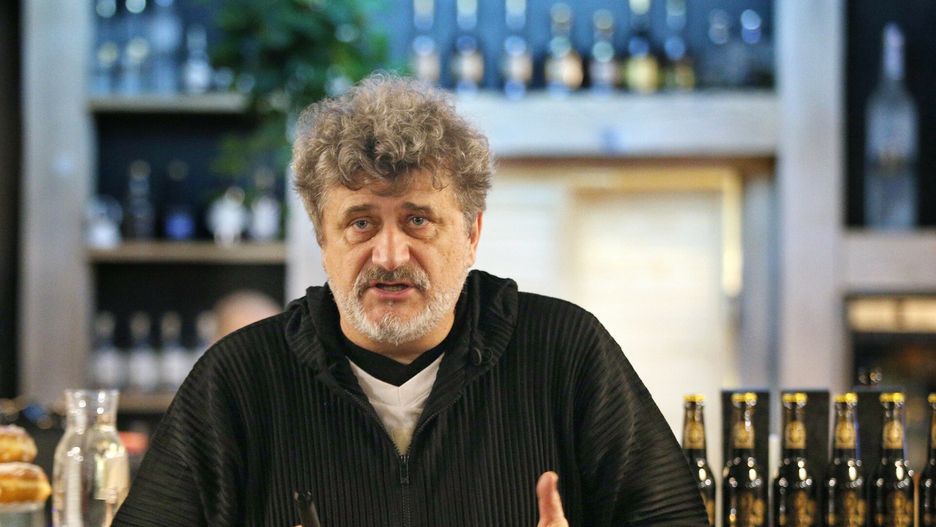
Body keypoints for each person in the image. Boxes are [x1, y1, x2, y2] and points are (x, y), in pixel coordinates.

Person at [113, 75, 706, 526]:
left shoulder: (566, 351)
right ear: (323, 238)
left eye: (418, 220)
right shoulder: (239, 378)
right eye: (361, 223)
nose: (390, 255)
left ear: (472, 234)